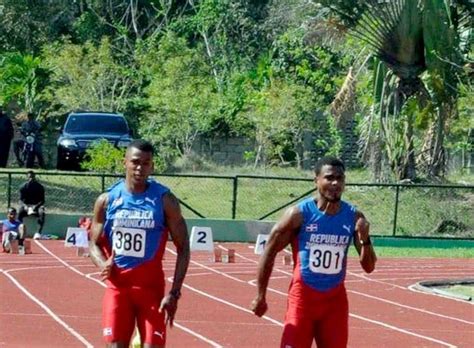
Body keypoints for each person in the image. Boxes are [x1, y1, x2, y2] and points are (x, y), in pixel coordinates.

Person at [251, 157, 377, 348]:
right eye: (329, 178)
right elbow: (269, 250)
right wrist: (261, 295)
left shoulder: (354, 217)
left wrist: (365, 238)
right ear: (316, 180)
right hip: (303, 299)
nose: (335, 183)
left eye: (340, 178)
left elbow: (368, 267)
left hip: (334, 303)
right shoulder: (299, 215)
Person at [89, 139, 190, 348]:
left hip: (150, 289)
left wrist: (174, 292)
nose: (140, 168)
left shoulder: (165, 201)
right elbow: (93, 243)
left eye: (146, 163)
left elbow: (184, 248)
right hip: (118, 288)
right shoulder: (107, 200)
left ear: (152, 166)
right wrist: (102, 264)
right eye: (135, 162)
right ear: (124, 162)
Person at [18, 170, 46, 239]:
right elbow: (20, 200)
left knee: (42, 213)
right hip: (27, 206)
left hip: (37, 206)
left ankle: (38, 233)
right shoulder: (23, 187)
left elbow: (42, 200)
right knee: (20, 212)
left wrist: (36, 207)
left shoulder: (40, 187)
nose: (31, 178)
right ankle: (20, 232)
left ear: (35, 177)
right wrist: (25, 206)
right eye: (30, 177)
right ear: (27, 178)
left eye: (32, 177)